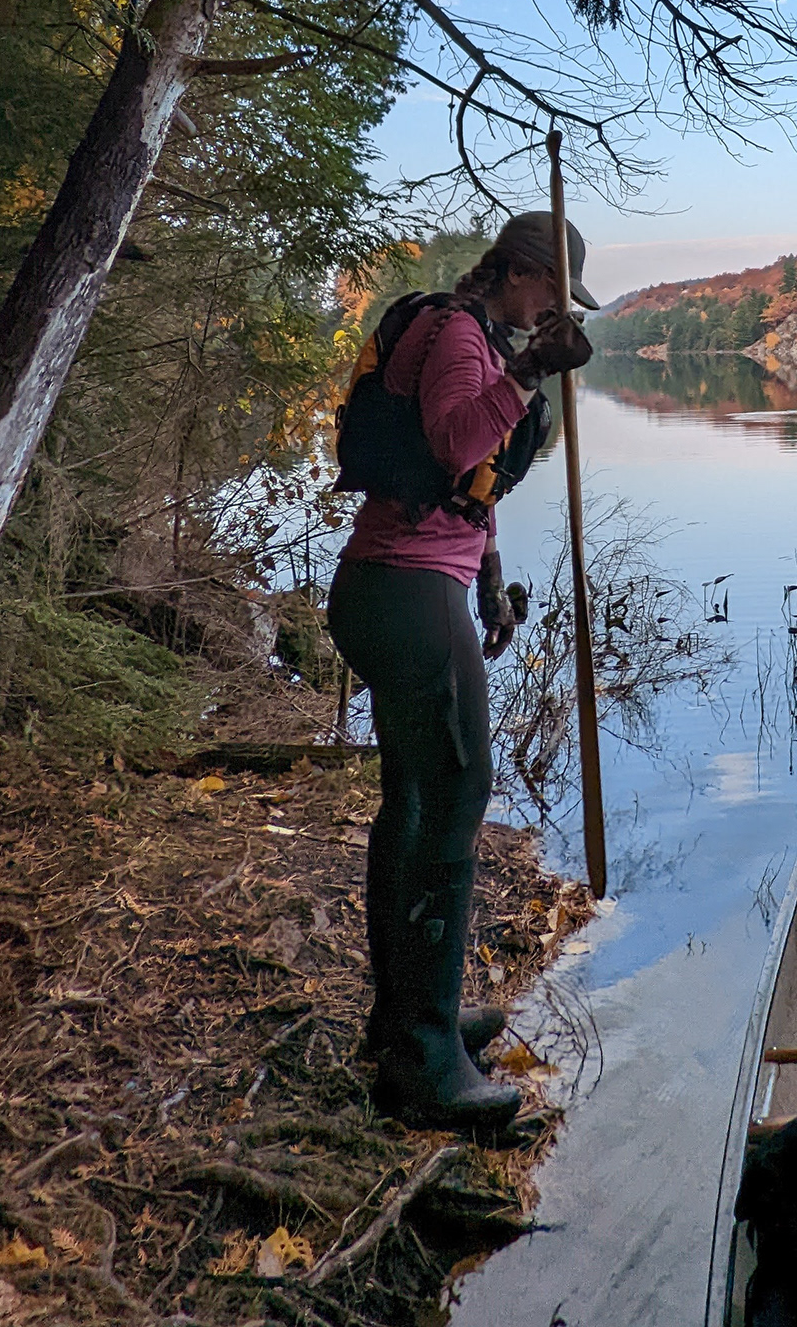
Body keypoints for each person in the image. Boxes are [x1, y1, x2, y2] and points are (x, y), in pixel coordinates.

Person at [326, 213, 595, 1127]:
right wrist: (530, 373)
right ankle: (425, 1061)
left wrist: (490, 583)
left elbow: (466, 489)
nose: (555, 312)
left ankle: (404, 1018)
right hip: (404, 592)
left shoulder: (475, 337)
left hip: (403, 586)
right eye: (554, 293)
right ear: (521, 273)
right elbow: (452, 442)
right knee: (456, 790)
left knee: (413, 798)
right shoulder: (455, 334)